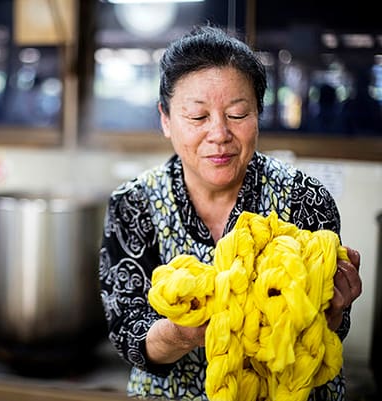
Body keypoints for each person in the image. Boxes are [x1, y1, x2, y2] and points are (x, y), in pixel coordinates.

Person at [98, 24, 362, 400]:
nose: (219, 133)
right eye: (197, 117)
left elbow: (332, 330)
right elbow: (128, 334)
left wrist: (333, 309)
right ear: (166, 119)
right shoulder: (134, 204)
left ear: (258, 113)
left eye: (238, 114)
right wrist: (181, 332)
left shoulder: (305, 198)